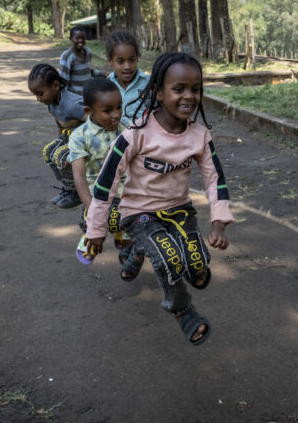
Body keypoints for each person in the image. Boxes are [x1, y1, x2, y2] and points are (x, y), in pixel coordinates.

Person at [84, 52, 233, 345]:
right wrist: (96, 229)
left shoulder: (200, 135)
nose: (188, 96)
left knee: (196, 263)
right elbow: (106, 182)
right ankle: (182, 311)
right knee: (169, 260)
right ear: (159, 92)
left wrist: (219, 222)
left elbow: (215, 178)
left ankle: (148, 252)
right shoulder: (135, 134)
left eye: (196, 89)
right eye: (179, 89)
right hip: (139, 212)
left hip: (179, 210)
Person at [67, 77, 132, 264]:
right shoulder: (80, 137)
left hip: (126, 188)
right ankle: (89, 237)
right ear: (89, 112)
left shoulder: (128, 128)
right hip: (96, 192)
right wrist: (93, 210)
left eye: (119, 107)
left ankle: (122, 234)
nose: (116, 114)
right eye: (108, 110)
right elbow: (79, 176)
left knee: (127, 219)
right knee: (88, 221)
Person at [28, 63, 85, 209]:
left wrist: (74, 151)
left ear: (55, 85)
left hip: (85, 139)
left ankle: (77, 191)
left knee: (61, 155)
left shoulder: (73, 104)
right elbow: (60, 126)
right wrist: (59, 141)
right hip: (70, 136)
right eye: (35, 95)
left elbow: (94, 124)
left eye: (40, 94)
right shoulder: (52, 104)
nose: (38, 99)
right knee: (48, 151)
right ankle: (68, 186)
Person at [104, 31, 151, 122]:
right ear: (110, 61)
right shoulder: (107, 85)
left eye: (132, 60)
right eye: (121, 62)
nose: (127, 66)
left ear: (137, 58)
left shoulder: (149, 83)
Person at [59, 26, 106, 96]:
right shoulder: (67, 56)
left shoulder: (88, 52)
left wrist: (103, 74)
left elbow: (87, 71)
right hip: (74, 97)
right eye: (77, 38)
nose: (80, 40)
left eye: (83, 38)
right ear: (71, 39)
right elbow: (63, 80)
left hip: (88, 94)